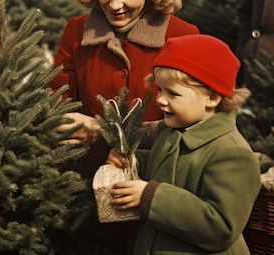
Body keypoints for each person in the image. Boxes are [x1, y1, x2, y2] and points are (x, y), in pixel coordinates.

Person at [47, 0, 199, 254]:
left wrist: (108, 135)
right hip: (90, 187)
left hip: (158, 187)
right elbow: (57, 98)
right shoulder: (76, 31)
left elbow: (193, 123)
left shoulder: (183, 35)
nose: (115, 4)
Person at [108, 34, 261, 254]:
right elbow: (171, 167)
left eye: (173, 93)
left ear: (211, 98)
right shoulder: (173, 132)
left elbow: (221, 227)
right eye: (160, 89)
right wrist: (135, 161)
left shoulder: (232, 153)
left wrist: (152, 197)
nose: (160, 99)